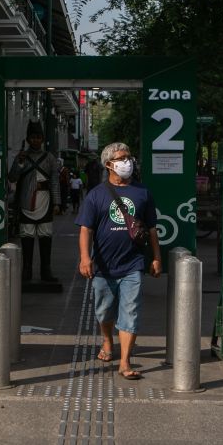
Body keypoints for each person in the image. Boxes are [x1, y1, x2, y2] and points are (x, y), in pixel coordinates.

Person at [76, 142, 162, 380]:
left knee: (130, 311)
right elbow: (85, 229)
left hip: (133, 264)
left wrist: (156, 257)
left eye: (129, 157)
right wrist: (85, 258)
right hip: (103, 266)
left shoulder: (142, 193)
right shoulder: (96, 195)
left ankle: (125, 361)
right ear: (109, 165)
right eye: (122, 158)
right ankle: (107, 340)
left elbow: (152, 229)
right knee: (104, 311)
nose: (128, 162)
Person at [8, 121, 61, 283]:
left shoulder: (49, 158)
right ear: (28, 139)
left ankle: (46, 271)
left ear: (42, 139)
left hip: (45, 201)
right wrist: (20, 163)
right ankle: (27, 271)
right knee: (27, 236)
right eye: (33, 137)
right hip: (26, 202)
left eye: (38, 137)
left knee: (46, 236)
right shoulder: (21, 157)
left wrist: (57, 202)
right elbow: (12, 177)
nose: (36, 140)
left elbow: (54, 181)